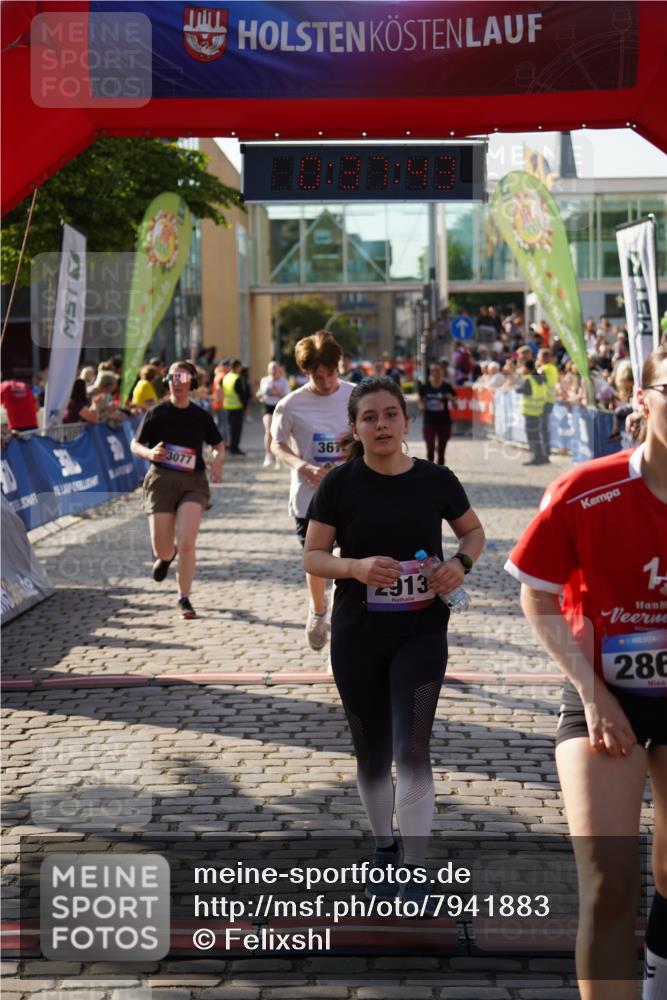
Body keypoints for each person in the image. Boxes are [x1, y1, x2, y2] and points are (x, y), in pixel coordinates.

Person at [505, 346, 667, 1000]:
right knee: (607, 884)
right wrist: (592, 695)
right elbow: (536, 595)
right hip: (605, 697)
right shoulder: (585, 489)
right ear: (644, 399)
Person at [303, 376, 484, 898]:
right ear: (356, 427)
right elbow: (313, 557)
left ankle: (418, 867)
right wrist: (356, 567)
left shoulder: (435, 479)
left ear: (406, 422)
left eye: (389, 415)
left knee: (412, 747)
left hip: (421, 631)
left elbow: (473, 532)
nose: (381, 424)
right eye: (369, 417)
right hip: (358, 634)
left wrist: (461, 563)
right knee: (371, 748)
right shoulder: (339, 484)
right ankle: (385, 845)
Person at [271, 332, 354, 650]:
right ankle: (318, 610)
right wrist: (302, 466)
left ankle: (346, 622)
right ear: (306, 372)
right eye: (318, 376)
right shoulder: (290, 405)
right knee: (317, 560)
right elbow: (276, 445)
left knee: (346, 558)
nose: (327, 382)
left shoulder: (356, 395)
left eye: (331, 373)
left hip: (351, 495)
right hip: (310, 499)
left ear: (339, 366)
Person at [130, 360, 225, 620]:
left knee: (187, 542)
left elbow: (218, 444)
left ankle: (184, 597)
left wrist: (217, 460)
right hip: (161, 481)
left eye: (183, 377)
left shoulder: (200, 415)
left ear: (192, 382)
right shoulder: (157, 413)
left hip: (193, 483)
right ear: (167, 382)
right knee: (162, 548)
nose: (178, 382)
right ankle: (165, 556)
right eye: (173, 377)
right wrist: (150, 452)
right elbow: (135, 444)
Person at [418, 361, 457, 465]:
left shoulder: (447, 387)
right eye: (433, 371)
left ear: (442, 372)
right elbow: (420, 401)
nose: (435, 373)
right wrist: (421, 406)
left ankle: (440, 472)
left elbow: (456, 405)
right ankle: (431, 469)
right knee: (430, 448)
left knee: (441, 451)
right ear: (430, 372)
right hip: (429, 421)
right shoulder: (424, 388)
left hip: (444, 422)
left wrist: (452, 399)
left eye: (437, 370)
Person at [516, 357, 548, 465]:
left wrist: (518, 387)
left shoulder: (529, 379)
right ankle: (540, 456)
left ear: (526, 368)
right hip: (539, 410)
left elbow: (523, 390)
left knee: (532, 437)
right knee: (537, 435)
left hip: (530, 412)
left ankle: (536, 458)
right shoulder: (541, 377)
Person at [257, 361, 289, 467]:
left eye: (275, 368)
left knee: (278, 433)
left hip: (279, 407)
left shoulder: (283, 382)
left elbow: (287, 398)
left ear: (278, 369)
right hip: (267, 407)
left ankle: (278, 458)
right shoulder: (264, 380)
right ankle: (268, 456)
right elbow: (259, 394)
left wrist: (277, 393)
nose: (273, 370)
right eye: (271, 368)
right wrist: (260, 394)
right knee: (268, 431)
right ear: (268, 370)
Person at [537, 347, 559, 460]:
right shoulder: (553, 368)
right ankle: (546, 451)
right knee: (544, 426)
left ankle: (545, 452)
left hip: (542, 401)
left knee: (542, 427)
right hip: (550, 400)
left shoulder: (542, 369)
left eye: (539, 357)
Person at [222, 359, 246, 455]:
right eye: (240, 367)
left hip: (227, 406)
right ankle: (235, 448)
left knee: (230, 428)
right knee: (236, 429)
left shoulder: (226, 377)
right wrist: (245, 406)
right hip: (236, 406)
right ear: (237, 367)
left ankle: (232, 447)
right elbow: (240, 393)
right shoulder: (237, 378)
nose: (241, 369)